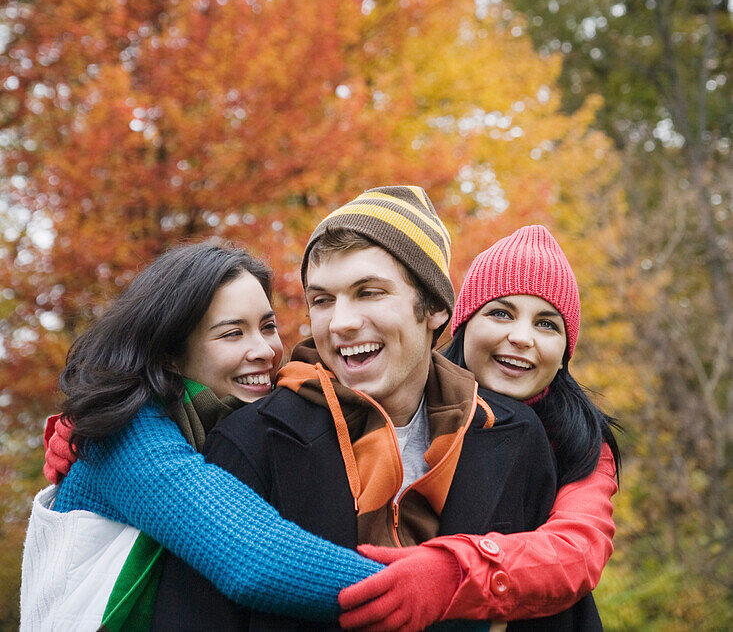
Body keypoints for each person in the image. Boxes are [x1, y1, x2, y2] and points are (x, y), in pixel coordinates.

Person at [151, 187, 597, 631]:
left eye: (369, 293)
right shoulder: (251, 441)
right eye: (322, 300)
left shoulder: (513, 435)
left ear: (436, 308)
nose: (341, 322)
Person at [20, 239, 381, 630]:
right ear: (170, 353)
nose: (265, 350)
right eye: (232, 334)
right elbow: (254, 557)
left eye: (268, 326)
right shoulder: (126, 437)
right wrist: (422, 587)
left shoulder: (221, 421)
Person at [338, 224, 620, 631]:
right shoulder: (401, 399)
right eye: (501, 313)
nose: (521, 337)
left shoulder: (579, 442)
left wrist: (454, 572)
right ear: (463, 324)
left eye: (546, 324)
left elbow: (577, 551)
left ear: (564, 355)